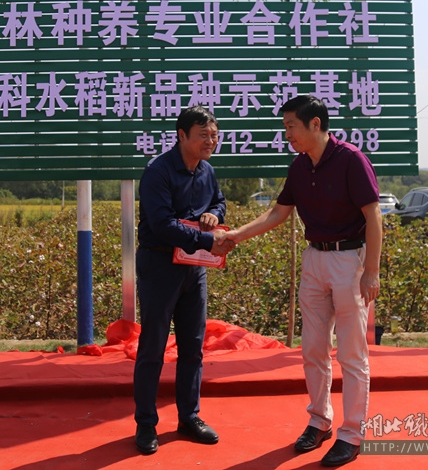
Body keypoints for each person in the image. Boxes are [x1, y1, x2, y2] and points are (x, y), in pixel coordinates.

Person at [216, 94, 381, 468]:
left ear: (315, 124)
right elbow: (278, 212)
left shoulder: (351, 160)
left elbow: (374, 215)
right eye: (285, 126)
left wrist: (371, 271)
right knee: (313, 348)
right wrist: (237, 235)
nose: (286, 134)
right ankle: (320, 421)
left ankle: (352, 434)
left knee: (352, 353)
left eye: (291, 126)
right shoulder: (300, 165)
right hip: (314, 260)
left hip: (349, 261)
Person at [133, 105, 229, 455]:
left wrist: (213, 215)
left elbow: (219, 202)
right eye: (203, 135)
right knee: (153, 346)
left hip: (194, 267)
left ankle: (189, 416)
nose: (211, 141)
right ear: (182, 135)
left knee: (193, 346)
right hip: (160, 265)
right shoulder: (158, 171)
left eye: (214, 135)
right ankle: (146, 423)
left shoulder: (207, 170)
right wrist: (206, 239)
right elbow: (162, 224)